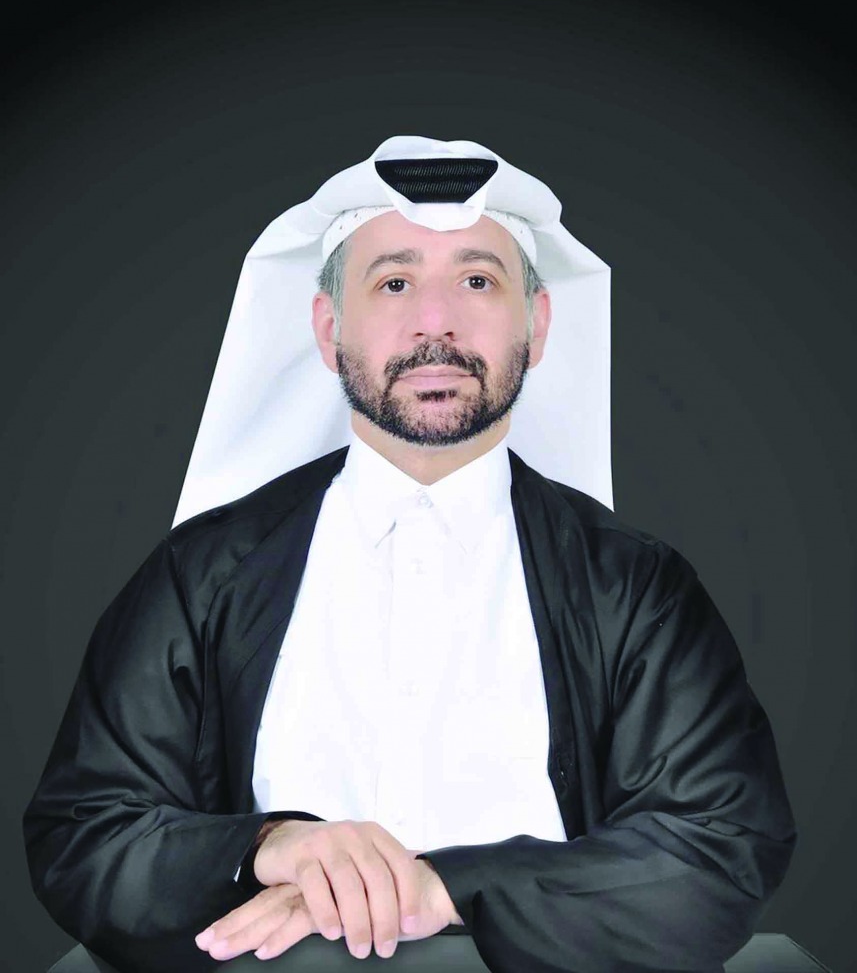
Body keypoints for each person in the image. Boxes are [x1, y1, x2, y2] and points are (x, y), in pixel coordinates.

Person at [23, 136, 797, 973]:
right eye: (393, 283)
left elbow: (721, 848)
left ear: (536, 325)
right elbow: (82, 840)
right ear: (328, 330)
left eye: (478, 281)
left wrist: (447, 888)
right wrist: (268, 848)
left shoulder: (636, 588)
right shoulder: (200, 575)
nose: (436, 323)